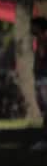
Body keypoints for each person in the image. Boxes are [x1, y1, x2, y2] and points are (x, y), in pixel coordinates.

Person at [31, 16, 47, 151]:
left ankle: (45, 141)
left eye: (33, 26)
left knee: (45, 110)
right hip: (41, 77)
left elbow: (41, 56)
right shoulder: (40, 40)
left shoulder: (41, 40)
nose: (31, 29)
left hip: (43, 78)